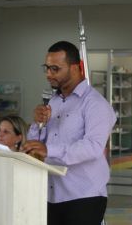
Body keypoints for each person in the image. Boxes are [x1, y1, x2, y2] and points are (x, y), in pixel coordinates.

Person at [22, 41, 116, 225]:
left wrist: (49, 150)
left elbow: (93, 148)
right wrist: (37, 124)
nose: (49, 74)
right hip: (50, 195)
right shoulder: (53, 101)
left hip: (83, 197)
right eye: (47, 68)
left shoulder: (95, 104)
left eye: (55, 69)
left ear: (75, 68)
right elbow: (37, 145)